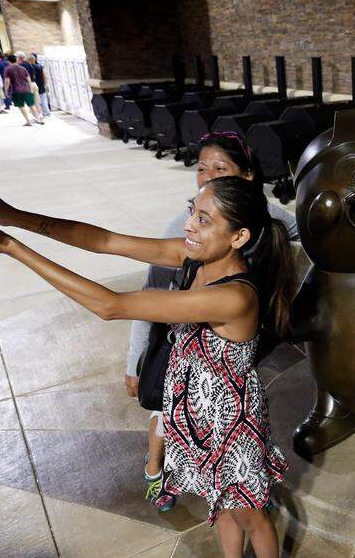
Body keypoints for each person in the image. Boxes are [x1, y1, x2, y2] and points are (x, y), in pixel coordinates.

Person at [0, 175, 297, 558]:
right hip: (194, 413)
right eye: (192, 211)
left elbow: (111, 305)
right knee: (219, 503)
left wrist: (11, 247)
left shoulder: (235, 295)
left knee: (250, 511)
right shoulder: (194, 257)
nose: (189, 226)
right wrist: (4, 213)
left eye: (204, 219)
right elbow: (104, 240)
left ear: (239, 237)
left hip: (231, 424)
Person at [126, 132, 298, 512]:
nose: (207, 177)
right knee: (167, 412)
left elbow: (295, 233)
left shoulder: (265, 223)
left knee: (233, 485)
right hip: (181, 349)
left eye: (220, 169)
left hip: (222, 360)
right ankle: (157, 470)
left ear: (247, 178)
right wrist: (134, 359)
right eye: (201, 169)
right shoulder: (187, 232)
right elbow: (142, 296)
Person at [3, 56, 41, 126]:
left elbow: (7, 81)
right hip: (26, 89)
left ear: (8, 61)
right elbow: (29, 79)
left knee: (21, 106)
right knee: (31, 105)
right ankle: (38, 119)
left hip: (16, 90)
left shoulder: (8, 69)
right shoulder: (23, 68)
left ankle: (28, 121)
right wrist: (30, 88)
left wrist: (6, 91)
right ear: (16, 60)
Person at [29, 53, 50, 117]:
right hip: (41, 84)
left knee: (36, 101)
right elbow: (44, 76)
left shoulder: (29, 67)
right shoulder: (40, 66)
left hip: (34, 85)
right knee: (43, 99)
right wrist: (45, 83)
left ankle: (41, 113)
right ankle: (46, 112)